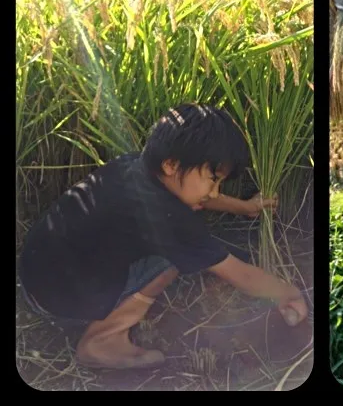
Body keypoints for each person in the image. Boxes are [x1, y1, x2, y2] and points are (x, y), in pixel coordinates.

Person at [18, 104, 305, 369]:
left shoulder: (135, 165)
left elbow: (200, 197)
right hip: (59, 302)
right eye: (213, 178)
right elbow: (240, 275)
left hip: (35, 279)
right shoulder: (170, 221)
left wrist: (245, 208)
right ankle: (102, 341)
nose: (216, 190)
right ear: (171, 165)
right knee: (168, 264)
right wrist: (288, 293)